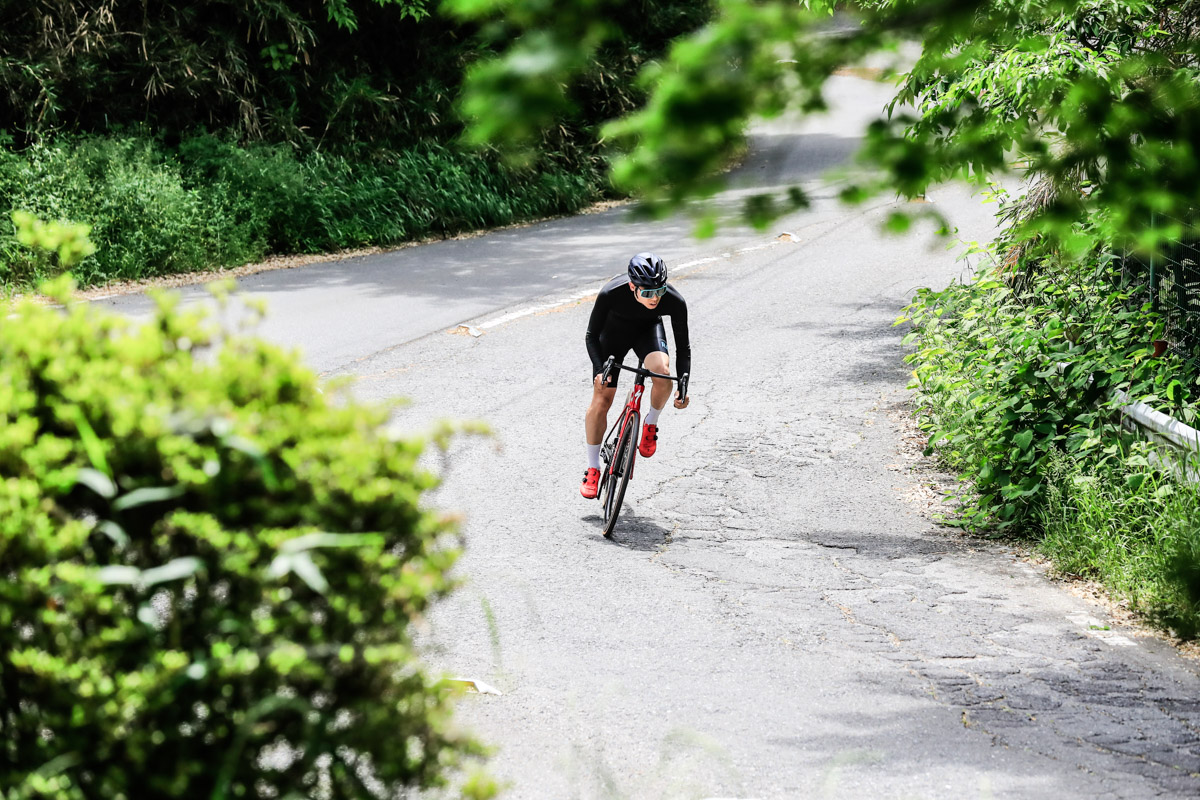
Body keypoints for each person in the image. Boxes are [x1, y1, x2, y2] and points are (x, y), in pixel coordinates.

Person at [581, 252, 691, 499]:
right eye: (648, 292)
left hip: (648, 332)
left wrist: (683, 386)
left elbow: (683, 348)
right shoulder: (611, 293)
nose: (655, 299)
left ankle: (650, 423)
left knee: (663, 373)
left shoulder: (674, 300)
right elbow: (590, 336)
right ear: (633, 286)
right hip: (613, 335)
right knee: (602, 397)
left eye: (659, 291)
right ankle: (593, 467)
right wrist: (600, 370)